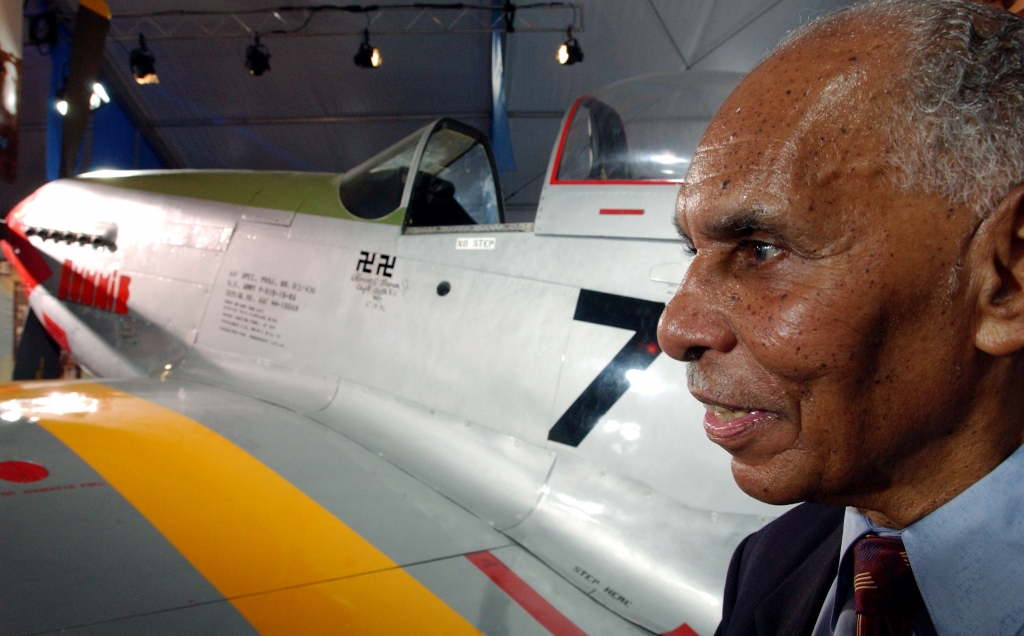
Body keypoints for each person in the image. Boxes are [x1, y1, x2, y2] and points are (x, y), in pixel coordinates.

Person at [656, 1, 1024, 634]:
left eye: (761, 249)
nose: (676, 330)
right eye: (693, 250)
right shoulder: (771, 563)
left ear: (1009, 281)